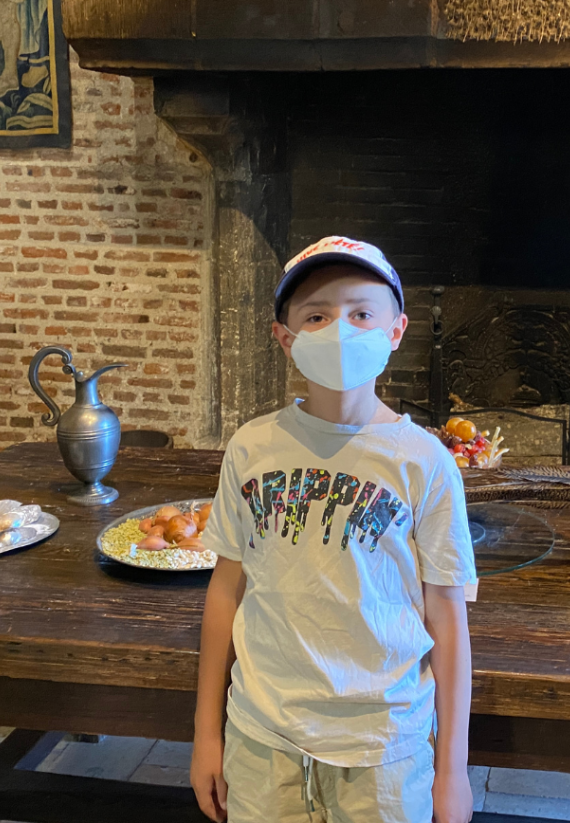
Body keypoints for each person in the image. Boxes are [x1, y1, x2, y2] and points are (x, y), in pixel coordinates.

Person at [191, 236, 477, 823]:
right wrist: (206, 736)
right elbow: (225, 593)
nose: (339, 329)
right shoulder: (251, 447)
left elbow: (447, 619)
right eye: (316, 315)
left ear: (395, 330)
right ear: (285, 337)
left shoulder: (424, 463)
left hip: (384, 752)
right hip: (262, 739)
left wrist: (452, 771)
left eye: (361, 313)